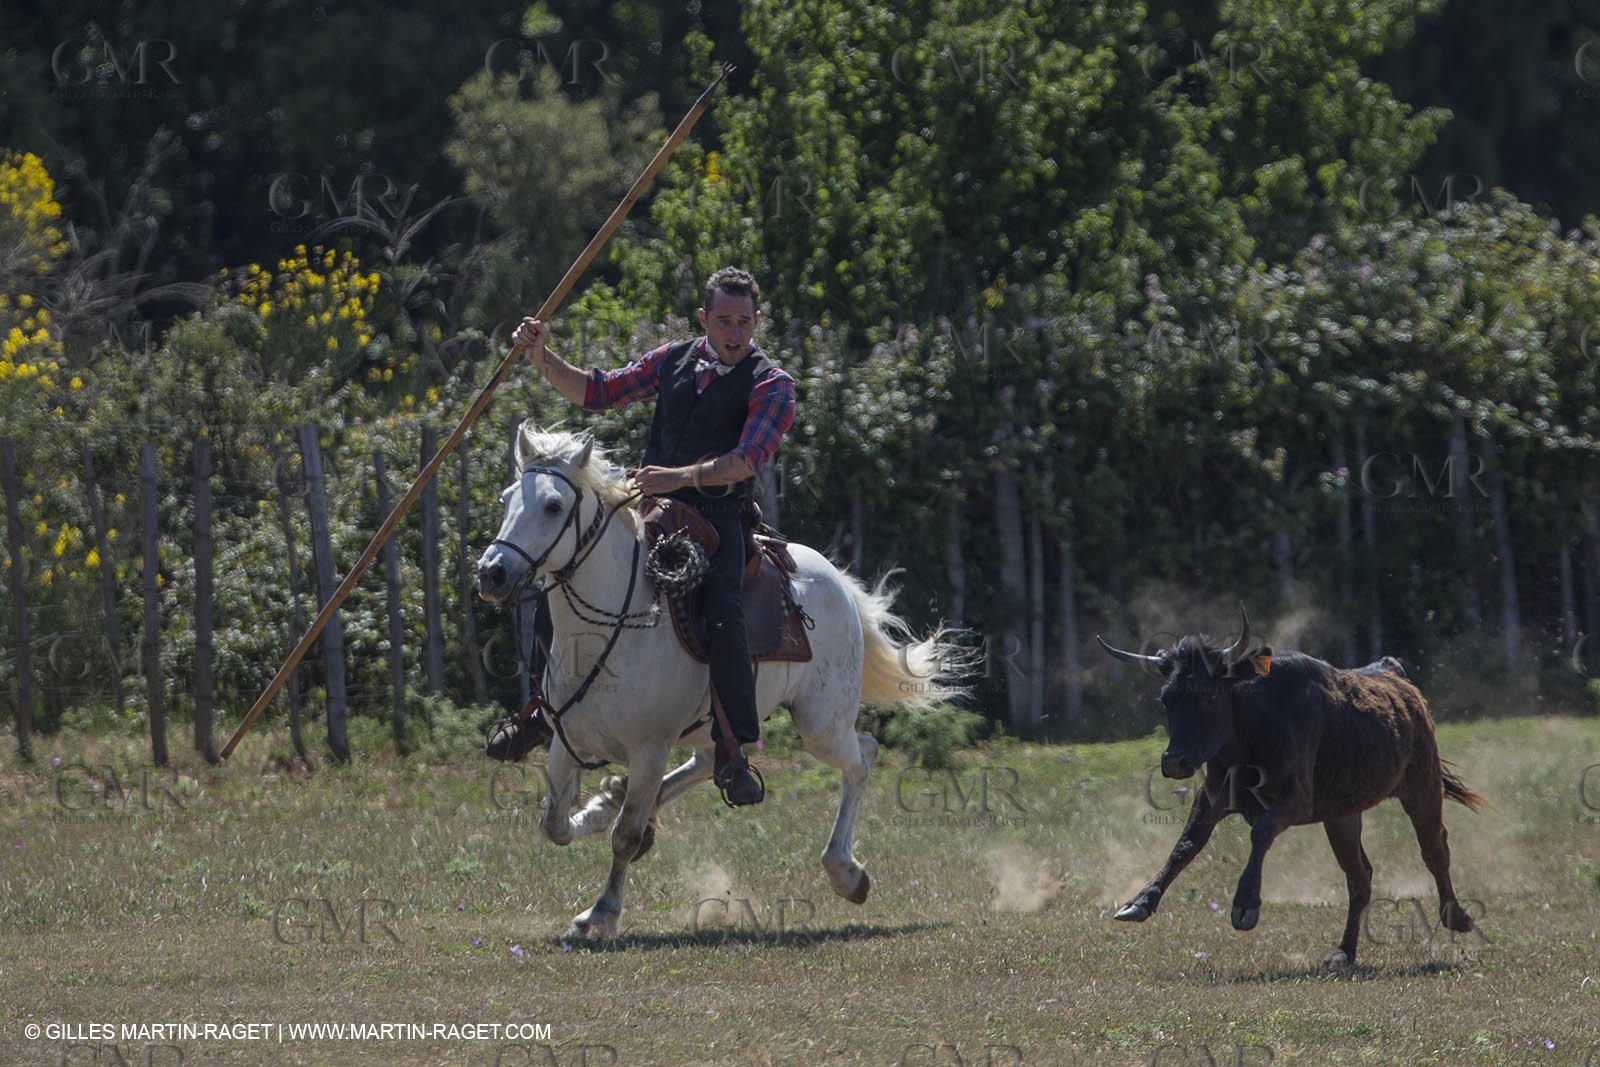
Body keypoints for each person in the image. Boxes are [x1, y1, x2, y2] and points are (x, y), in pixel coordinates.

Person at [512, 267, 795, 806]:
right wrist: (541, 356)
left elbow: (746, 460)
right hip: (647, 507)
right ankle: (539, 712)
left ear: (757, 321)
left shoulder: (771, 383)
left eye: (744, 322)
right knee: (563, 575)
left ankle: (732, 750)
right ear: (704, 320)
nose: (734, 332)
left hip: (718, 518)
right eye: (723, 321)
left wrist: (680, 477)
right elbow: (596, 392)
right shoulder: (672, 359)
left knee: (723, 613)